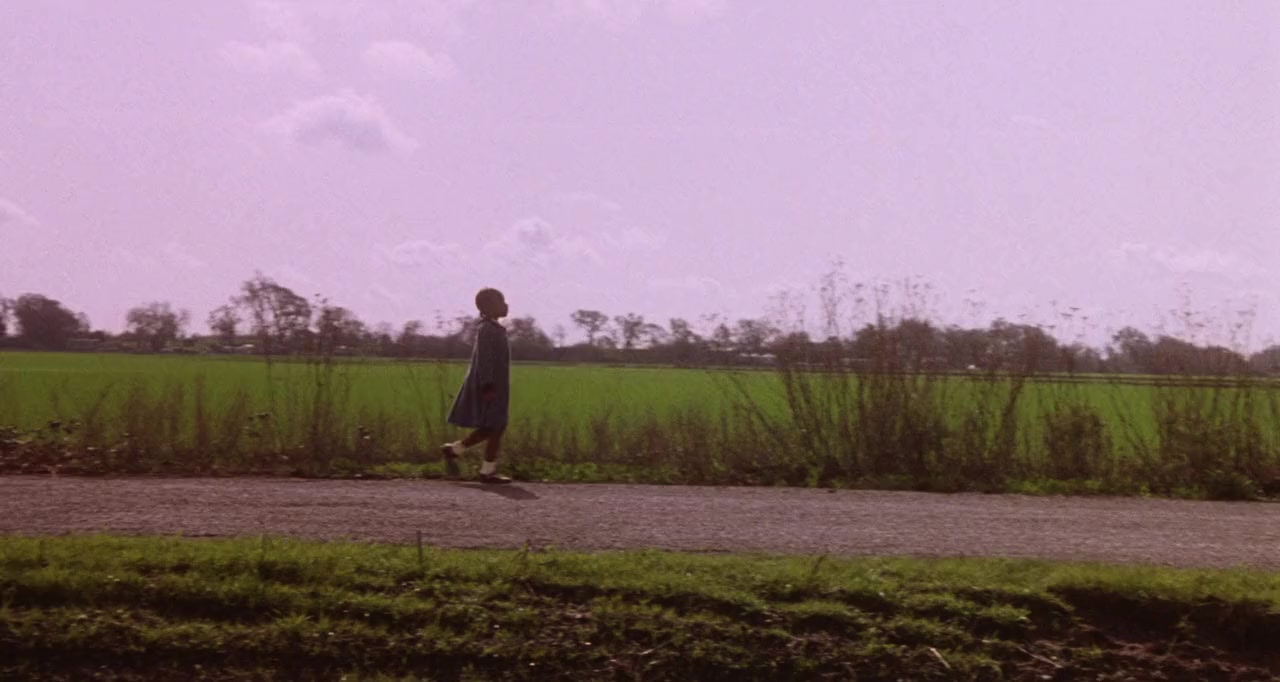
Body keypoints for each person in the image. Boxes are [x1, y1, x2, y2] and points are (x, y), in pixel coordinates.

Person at [439, 287, 512, 484]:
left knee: (493, 426)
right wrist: (487, 386)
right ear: (489, 307)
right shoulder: (487, 330)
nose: (506, 305)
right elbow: (484, 360)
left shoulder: (495, 329)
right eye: (501, 301)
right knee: (496, 425)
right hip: (490, 386)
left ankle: (454, 450)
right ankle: (486, 472)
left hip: (497, 386)